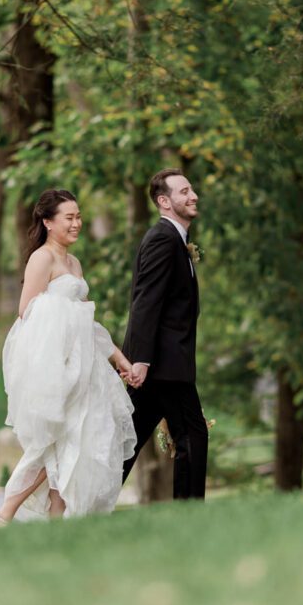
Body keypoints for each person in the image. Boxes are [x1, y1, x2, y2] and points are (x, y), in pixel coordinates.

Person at [0, 189, 137, 528]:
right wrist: (53, 366)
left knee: (75, 445)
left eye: (79, 216)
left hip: (85, 369)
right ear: (48, 222)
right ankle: (3, 515)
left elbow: (86, 323)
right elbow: (27, 314)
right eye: (69, 217)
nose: (77, 223)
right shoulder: (42, 259)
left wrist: (119, 359)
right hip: (55, 368)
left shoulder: (74, 263)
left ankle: (56, 525)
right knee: (53, 446)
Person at [121, 168, 207, 499]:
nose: (193, 195)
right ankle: (189, 512)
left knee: (124, 443)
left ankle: (85, 505)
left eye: (192, 189)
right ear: (164, 201)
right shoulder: (162, 239)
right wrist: (140, 360)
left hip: (161, 363)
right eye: (184, 191)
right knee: (192, 434)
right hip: (161, 364)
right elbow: (145, 302)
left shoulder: (175, 241)